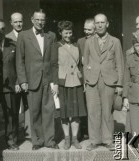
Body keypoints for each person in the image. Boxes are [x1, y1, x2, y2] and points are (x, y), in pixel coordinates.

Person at [16, 9, 59, 150]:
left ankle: (50, 140)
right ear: (32, 20)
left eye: (43, 20)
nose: (40, 22)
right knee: (34, 112)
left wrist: (55, 82)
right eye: (37, 19)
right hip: (32, 80)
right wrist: (22, 80)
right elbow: (19, 60)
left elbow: (54, 62)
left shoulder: (51, 36)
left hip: (47, 79)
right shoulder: (23, 35)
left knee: (49, 111)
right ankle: (37, 141)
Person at [83, 13, 124, 151]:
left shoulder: (115, 41)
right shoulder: (88, 42)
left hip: (109, 81)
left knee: (107, 111)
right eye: (97, 23)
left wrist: (119, 84)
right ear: (94, 25)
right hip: (92, 81)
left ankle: (108, 140)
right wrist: (86, 79)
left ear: (107, 24)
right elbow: (85, 62)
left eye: (102, 22)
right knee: (93, 111)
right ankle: (94, 140)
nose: (99, 25)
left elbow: (120, 63)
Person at [53, 20, 87, 150]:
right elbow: (53, 66)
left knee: (76, 113)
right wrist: (55, 83)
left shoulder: (76, 45)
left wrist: (82, 81)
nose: (68, 35)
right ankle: (67, 138)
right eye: (65, 33)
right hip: (63, 83)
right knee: (64, 113)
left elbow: (80, 66)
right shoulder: (56, 46)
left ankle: (75, 139)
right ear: (60, 33)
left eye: (70, 32)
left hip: (76, 82)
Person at [0, 18, 21, 150]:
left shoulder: (13, 44)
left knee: (11, 115)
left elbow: (19, 65)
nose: (0, 31)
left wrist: (19, 81)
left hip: (10, 85)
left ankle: (11, 141)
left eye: (3, 29)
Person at [6, 12, 31, 140]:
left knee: (30, 108)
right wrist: (16, 81)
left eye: (20, 21)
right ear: (11, 23)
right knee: (14, 111)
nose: (18, 24)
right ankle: (14, 139)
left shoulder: (28, 36)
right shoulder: (7, 39)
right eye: (15, 22)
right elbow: (10, 64)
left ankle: (31, 136)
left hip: (28, 79)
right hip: (14, 82)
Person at [77, 18, 95, 140]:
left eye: (89, 30)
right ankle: (84, 131)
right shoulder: (80, 41)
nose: (87, 32)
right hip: (83, 78)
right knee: (83, 105)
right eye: (85, 29)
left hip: (96, 78)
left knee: (94, 107)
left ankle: (95, 131)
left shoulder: (98, 40)